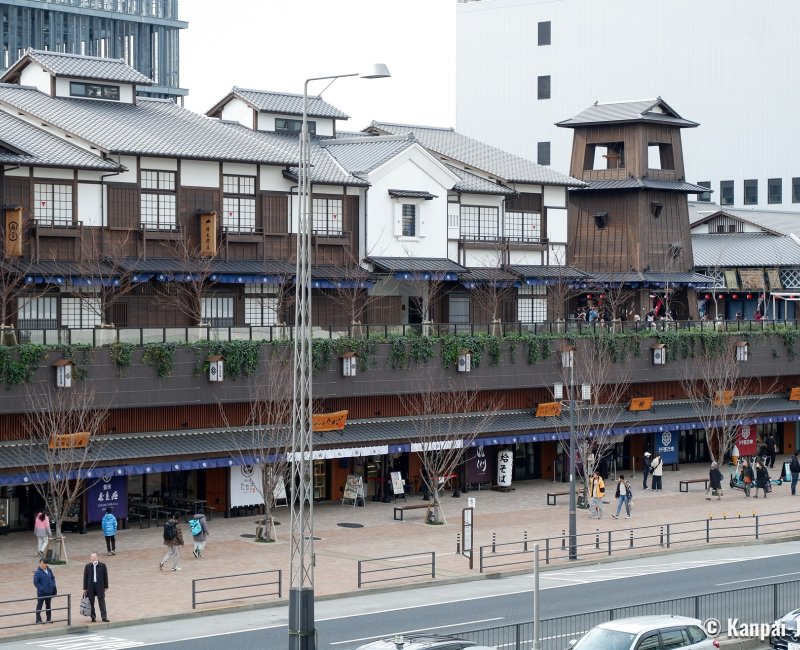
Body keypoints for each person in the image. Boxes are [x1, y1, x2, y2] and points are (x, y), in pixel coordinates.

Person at [82, 552, 109, 623]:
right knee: (91, 602)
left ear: (97, 557)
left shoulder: (102, 565)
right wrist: (85, 588)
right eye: (91, 557)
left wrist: (106, 586)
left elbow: (105, 576)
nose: (92, 558)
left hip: (99, 585)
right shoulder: (88, 566)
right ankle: (93, 617)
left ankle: (104, 617)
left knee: (101, 601)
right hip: (91, 586)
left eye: (94, 557)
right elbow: (85, 577)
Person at [33, 558, 56, 624]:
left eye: (43, 563)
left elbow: (53, 578)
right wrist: (41, 589)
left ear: (46, 564)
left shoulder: (49, 570)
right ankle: (38, 619)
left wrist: (54, 586)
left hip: (49, 592)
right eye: (41, 563)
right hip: (41, 593)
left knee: (48, 605)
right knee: (39, 606)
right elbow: (35, 582)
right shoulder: (38, 572)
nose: (42, 565)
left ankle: (48, 619)